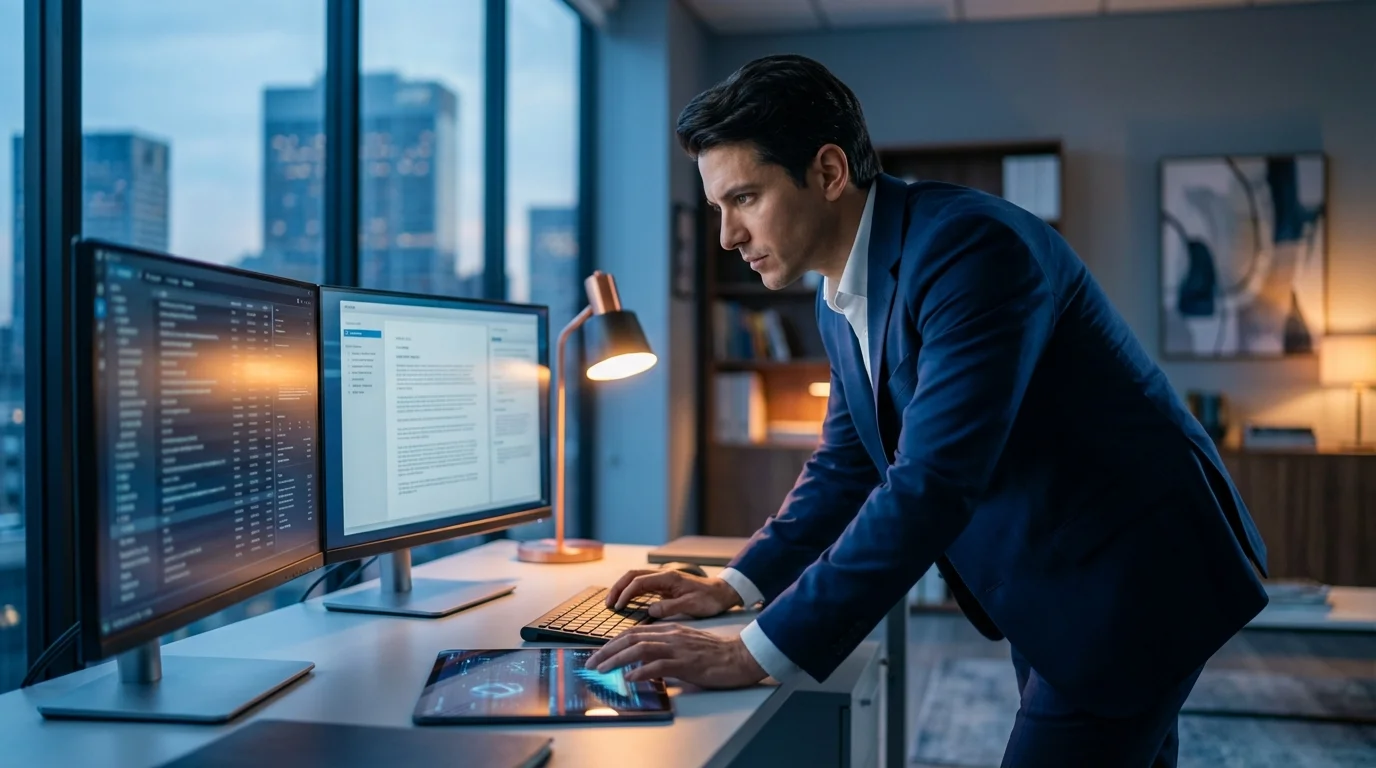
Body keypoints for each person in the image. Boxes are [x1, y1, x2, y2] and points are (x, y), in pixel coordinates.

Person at [585, 54, 1269, 767]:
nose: (727, 235)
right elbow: (850, 462)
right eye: (718, 208)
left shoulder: (970, 249)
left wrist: (753, 654)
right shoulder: (839, 289)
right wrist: (733, 584)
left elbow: (931, 481)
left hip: (1129, 576)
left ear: (827, 172)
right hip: (1060, 570)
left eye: (745, 199)